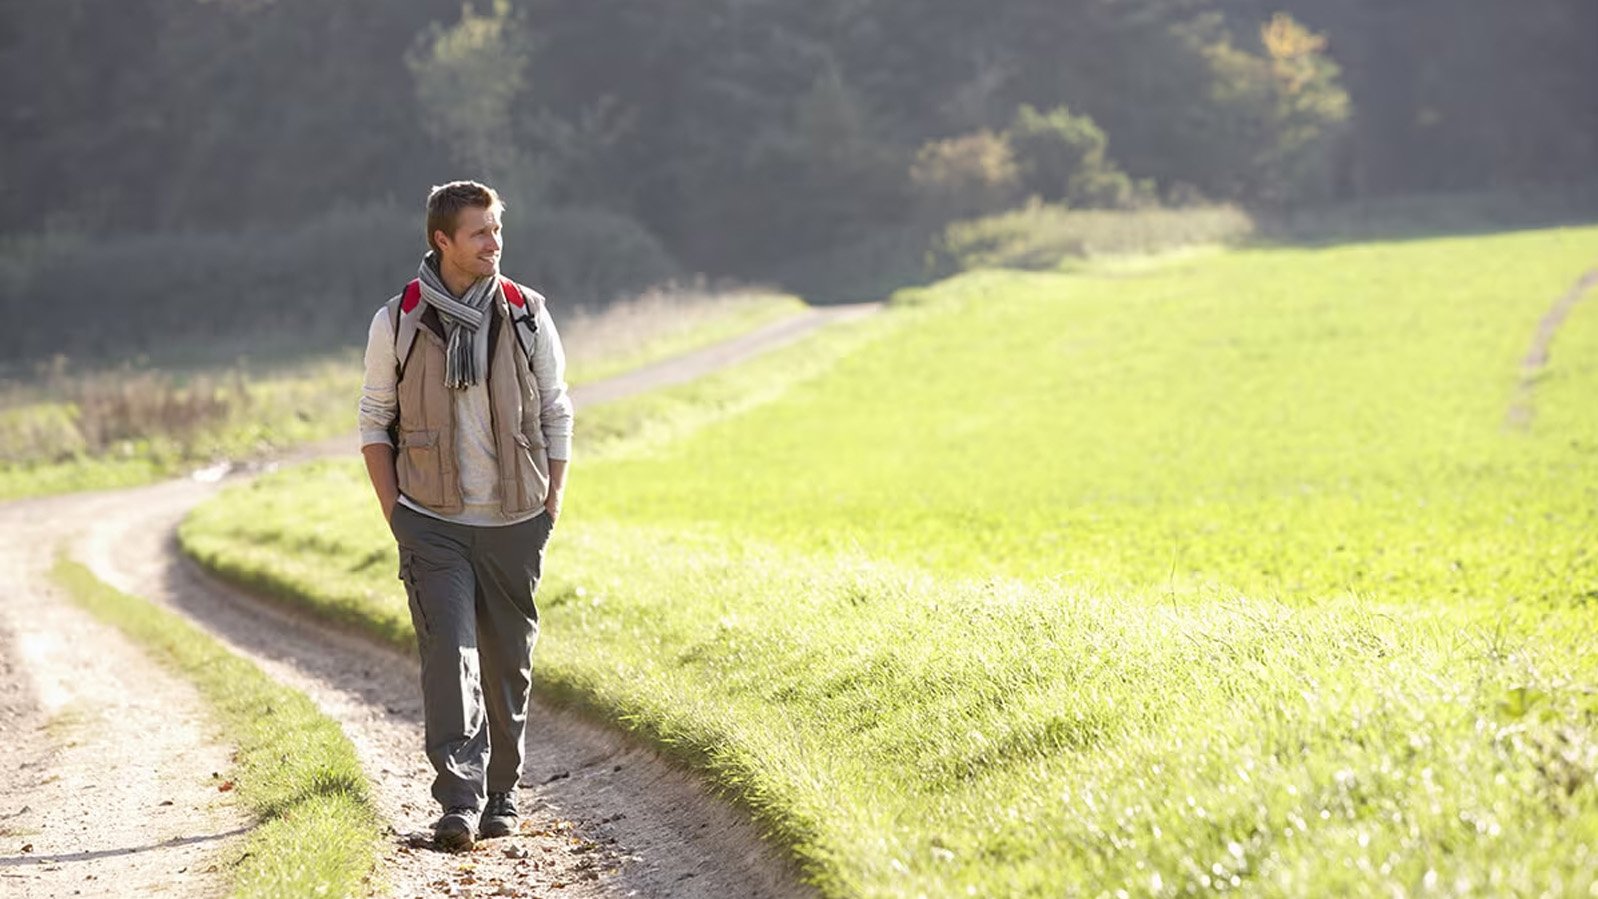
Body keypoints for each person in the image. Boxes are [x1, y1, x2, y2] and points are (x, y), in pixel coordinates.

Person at [358, 180, 572, 852]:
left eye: (497, 228)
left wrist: (553, 498)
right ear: (442, 240)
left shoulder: (527, 312)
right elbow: (374, 422)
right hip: (432, 522)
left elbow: (556, 410)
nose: (494, 242)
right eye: (479, 231)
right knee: (449, 658)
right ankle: (458, 798)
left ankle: (503, 793)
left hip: (514, 520)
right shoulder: (397, 320)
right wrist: (398, 513)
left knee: (508, 663)